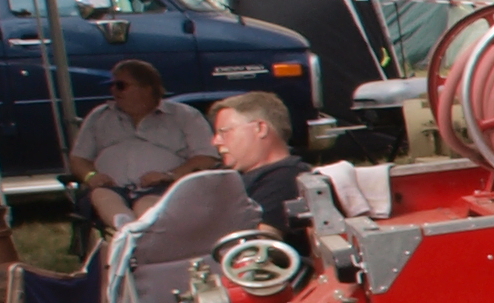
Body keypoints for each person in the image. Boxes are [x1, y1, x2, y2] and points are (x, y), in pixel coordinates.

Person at [66, 59, 220, 228]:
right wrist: (91, 176)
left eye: (121, 85)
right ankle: (126, 228)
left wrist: (169, 175)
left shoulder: (184, 116)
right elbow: (79, 158)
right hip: (110, 187)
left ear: (147, 88)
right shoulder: (99, 116)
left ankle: (139, 231)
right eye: (112, 85)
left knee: (148, 203)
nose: (113, 90)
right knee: (101, 196)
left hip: (162, 189)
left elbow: (207, 157)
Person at [210, 91, 313, 240]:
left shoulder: (286, 180)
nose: (216, 141)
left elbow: (259, 245)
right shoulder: (227, 174)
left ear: (260, 128)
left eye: (224, 132)